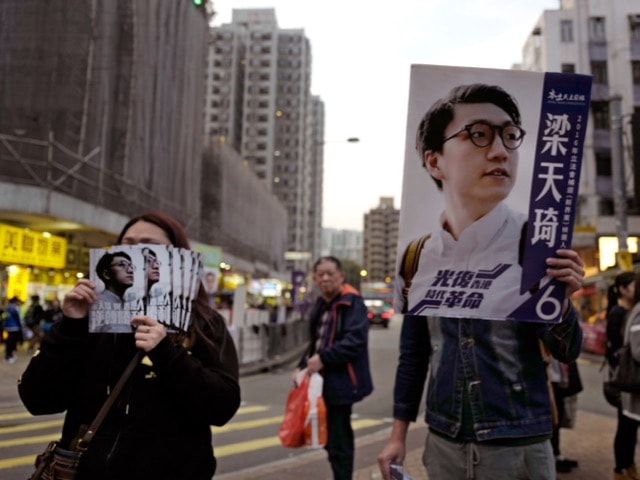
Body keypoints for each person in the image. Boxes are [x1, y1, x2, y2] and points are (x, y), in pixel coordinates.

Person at [377, 84, 585, 480]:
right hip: (444, 443)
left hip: (518, 442)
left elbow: (566, 352)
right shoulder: (416, 257)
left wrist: (562, 300)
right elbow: (415, 355)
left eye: (509, 136)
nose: (499, 151)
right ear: (434, 161)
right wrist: (397, 435)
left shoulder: (535, 247)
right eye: (478, 134)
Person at [18, 211, 241, 480]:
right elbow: (38, 400)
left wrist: (165, 353)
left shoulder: (204, 324)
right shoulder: (92, 320)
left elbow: (221, 407)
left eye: (149, 245)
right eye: (128, 244)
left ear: (176, 256)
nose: (136, 253)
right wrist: (71, 326)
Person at [293, 256, 373, 480]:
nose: (325, 278)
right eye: (321, 274)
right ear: (315, 279)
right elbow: (315, 342)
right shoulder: (321, 303)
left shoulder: (352, 303)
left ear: (341, 276)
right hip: (321, 382)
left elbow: (354, 341)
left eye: (330, 273)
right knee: (328, 436)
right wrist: (302, 366)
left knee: (339, 439)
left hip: (341, 382)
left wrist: (323, 359)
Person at [605, 271, 639, 480]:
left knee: (628, 425)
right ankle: (622, 469)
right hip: (626, 379)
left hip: (627, 379)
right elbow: (615, 348)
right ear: (624, 289)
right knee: (626, 426)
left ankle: (627, 466)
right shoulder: (618, 312)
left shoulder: (629, 310)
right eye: (633, 285)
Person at [2, 296, 23, 364]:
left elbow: (4, 316)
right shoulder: (13, 308)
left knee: (10, 341)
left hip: (10, 326)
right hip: (13, 327)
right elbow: (17, 318)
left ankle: (10, 355)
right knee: (11, 342)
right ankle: (8, 357)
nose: (19, 303)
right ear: (15, 301)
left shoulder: (8, 307)